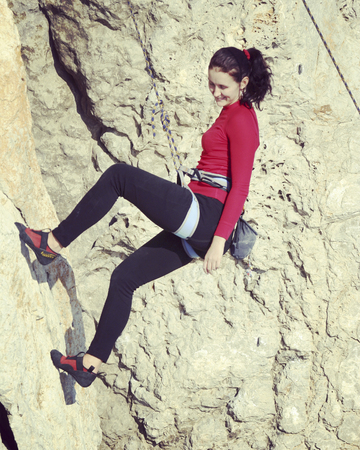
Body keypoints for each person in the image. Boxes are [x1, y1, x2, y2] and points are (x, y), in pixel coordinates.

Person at [20, 47, 272, 387]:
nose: (215, 93)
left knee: (119, 177)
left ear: (242, 82)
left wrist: (218, 242)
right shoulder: (230, 112)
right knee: (124, 279)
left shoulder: (242, 119)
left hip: (208, 220)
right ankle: (89, 365)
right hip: (201, 216)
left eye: (222, 87)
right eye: (211, 85)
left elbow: (240, 189)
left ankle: (51, 244)